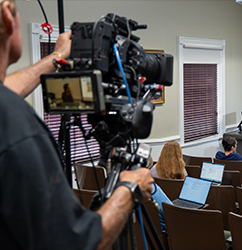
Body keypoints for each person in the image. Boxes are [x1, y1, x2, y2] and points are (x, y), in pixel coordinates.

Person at [0, 1, 155, 248]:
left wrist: (56, 57)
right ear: (8, 14)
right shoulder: (18, 131)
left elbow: (5, 90)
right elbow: (76, 243)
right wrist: (129, 189)